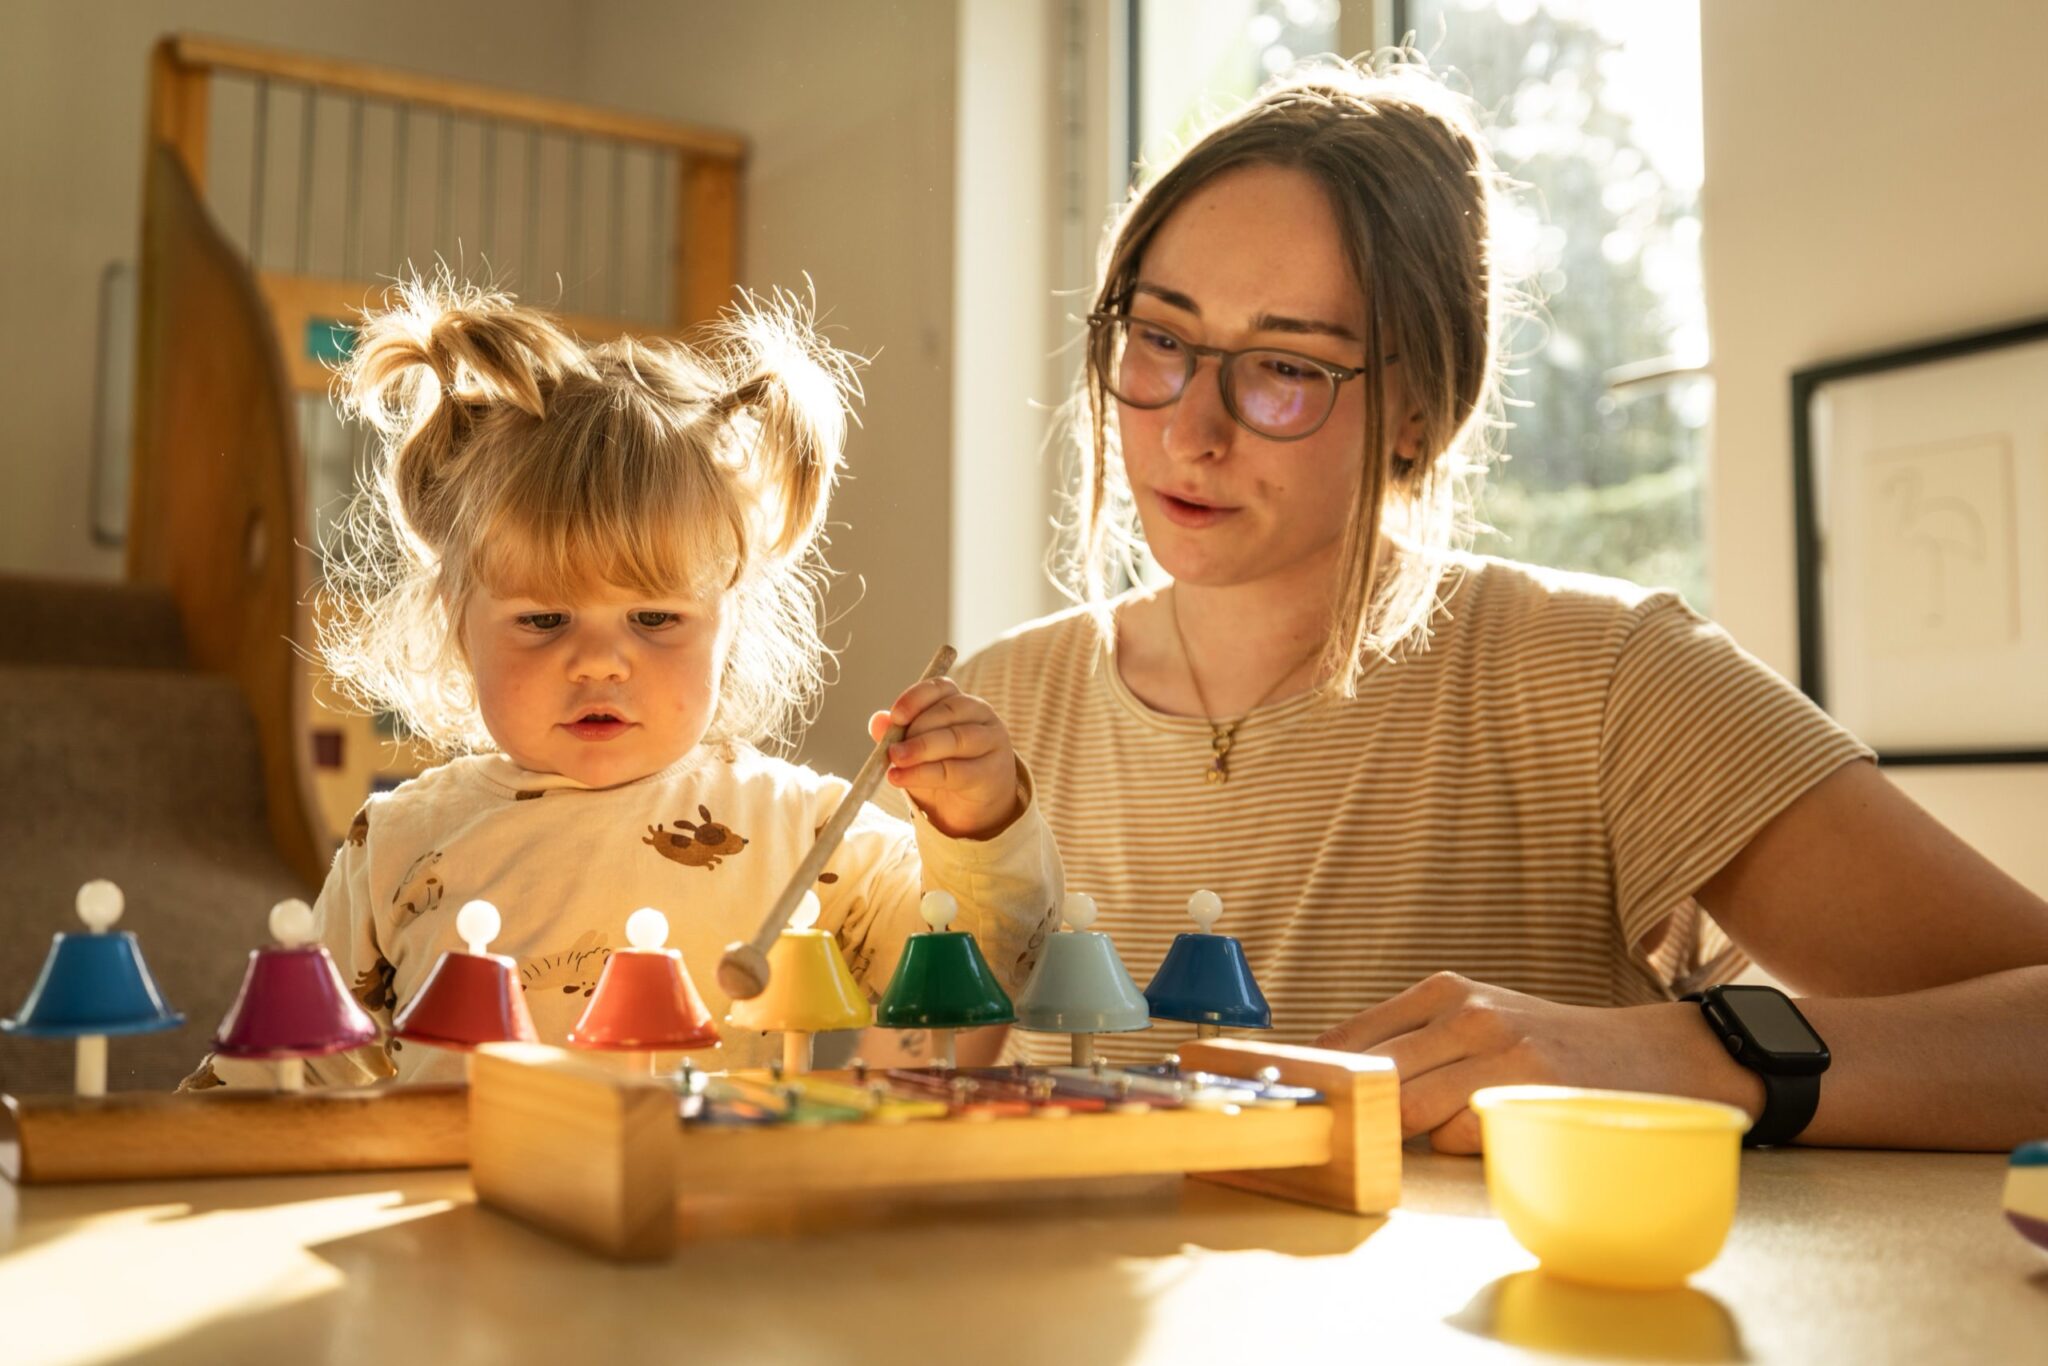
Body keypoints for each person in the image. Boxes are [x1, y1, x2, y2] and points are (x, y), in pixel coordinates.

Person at [951, 59, 2048, 1152]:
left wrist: (1688, 1056)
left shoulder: (1606, 678)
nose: (1191, 428)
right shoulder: (994, 708)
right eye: (1160, 337)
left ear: (1418, 416)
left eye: (1283, 366)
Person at [186, 278, 1061, 1088]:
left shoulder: (801, 831)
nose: (600, 662)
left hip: (698, 1242)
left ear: (730, 622)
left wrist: (980, 823)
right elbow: (282, 1084)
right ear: (459, 622)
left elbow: (983, 969)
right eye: (542, 620)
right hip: (458, 1247)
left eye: (654, 620)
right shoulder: (399, 843)